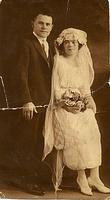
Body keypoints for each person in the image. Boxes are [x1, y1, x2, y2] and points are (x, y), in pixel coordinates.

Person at [43, 28, 110, 196]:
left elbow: (85, 89)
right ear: (62, 45)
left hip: (79, 105)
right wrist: (67, 103)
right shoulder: (59, 61)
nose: (70, 45)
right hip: (62, 106)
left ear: (79, 44)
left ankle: (94, 177)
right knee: (77, 133)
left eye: (74, 42)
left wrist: (88, 101)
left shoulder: (82, 62)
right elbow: (56, 89)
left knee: (93, 130)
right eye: (67, 42)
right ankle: (81, 177)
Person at [8, 8, 54, 195]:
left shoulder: (50, 45)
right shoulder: (25, 43)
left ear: (52, 27)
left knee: (39, 142)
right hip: (32, 103)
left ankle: (35, 178)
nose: (44, 27)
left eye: (48, 24)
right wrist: (26, 100)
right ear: (33, 24)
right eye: (40, 23)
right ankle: (26, 181)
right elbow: (21, 74)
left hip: (47, 103)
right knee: (28, 141)